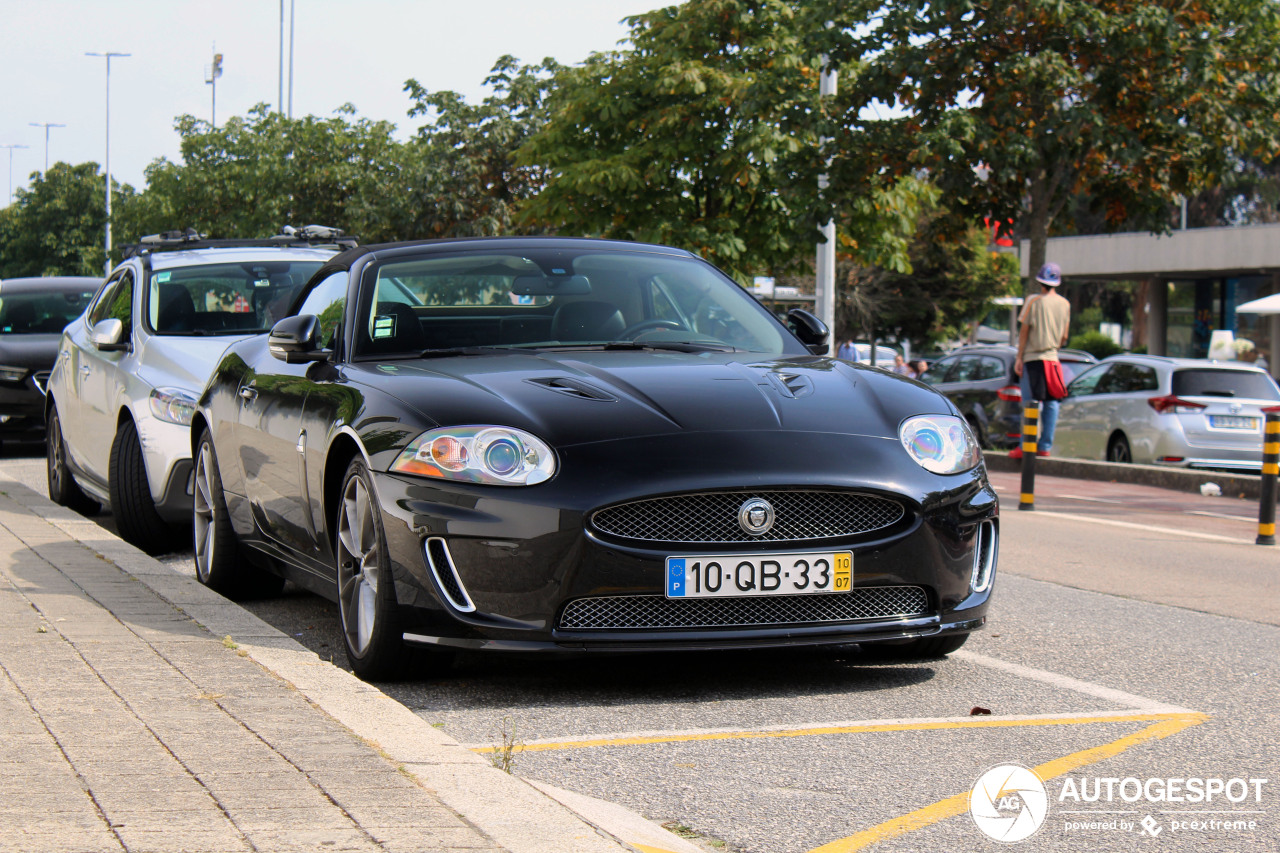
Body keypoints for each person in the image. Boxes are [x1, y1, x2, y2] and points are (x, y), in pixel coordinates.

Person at [1012, 262, 1071, 458]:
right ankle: (1045, 446)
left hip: (1033, 358)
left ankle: (1026, 445)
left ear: (1039, 281)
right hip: (1053, 360)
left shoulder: (1033, 301)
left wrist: (1019, 357)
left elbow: (1024, 332)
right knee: (1052, 402)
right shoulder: (1065, 304)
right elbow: (1064, 337)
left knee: (1030, 403)